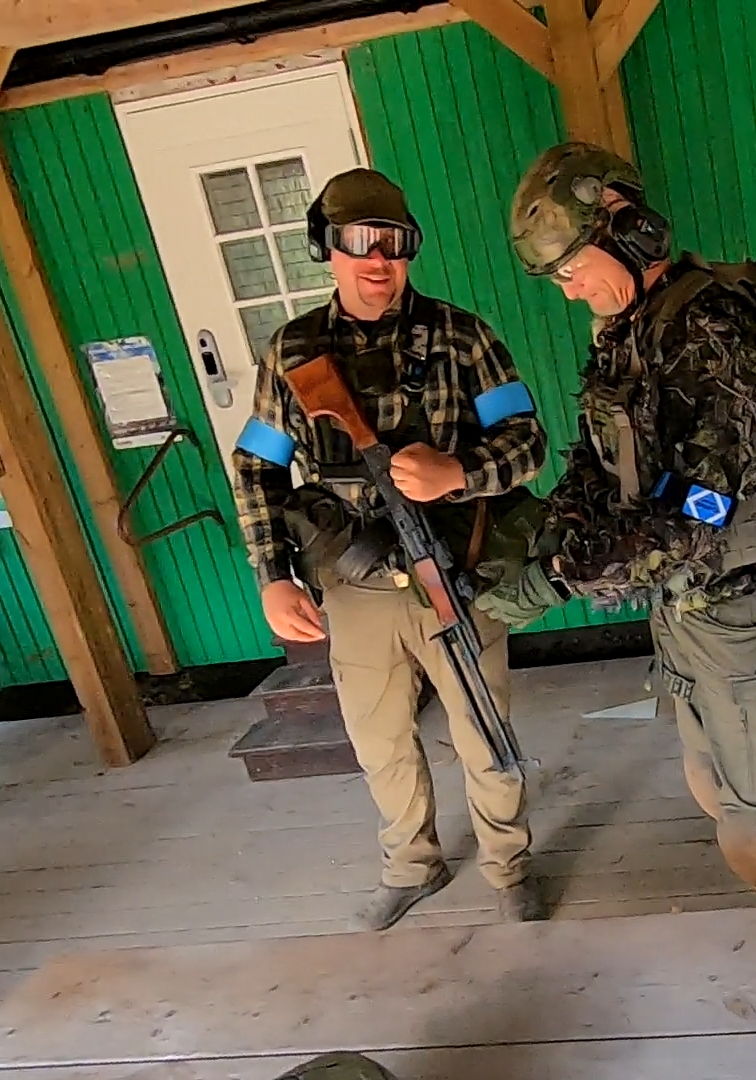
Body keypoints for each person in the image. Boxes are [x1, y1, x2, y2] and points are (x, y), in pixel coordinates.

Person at [480, 142, 756, 906]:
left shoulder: (711, 330)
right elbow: (602, 459)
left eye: (571, 268)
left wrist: (563, 578)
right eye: (556, 278)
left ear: (626, 227)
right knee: (712, 782)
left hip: (740, 609)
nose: (570, 290)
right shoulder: (627, 332)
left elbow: (703, 509)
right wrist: (559, 529)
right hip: (681, 607)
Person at [231, 168, 550, 930]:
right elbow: (256, 466)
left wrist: (458, 472)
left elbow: (528, 442)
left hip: (455, 573)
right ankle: (412, 865)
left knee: (484, 731)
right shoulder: (293, 351)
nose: (379, 260)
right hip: (356, 585)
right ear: (328, 247)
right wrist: (272, 575)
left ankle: (507, 867)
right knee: (378, 740)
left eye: (396, 244)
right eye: (361, 242)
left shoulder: (463, 337)